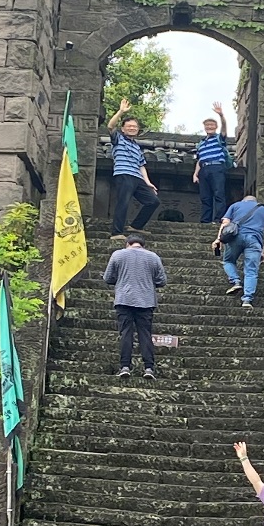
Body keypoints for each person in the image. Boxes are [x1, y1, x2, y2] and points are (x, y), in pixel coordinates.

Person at [103, 234, 167, 380]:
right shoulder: (153, 257)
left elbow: (108, 278)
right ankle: (149, 368)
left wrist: (120, 280)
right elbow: (162, 280)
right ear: (142, 245)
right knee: (145, 334)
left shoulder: (118, 255)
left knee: (126, 333)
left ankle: (125, 366)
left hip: (124, 299)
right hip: (146, 301)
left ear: (127, 244)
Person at [211, 193, 264, 310]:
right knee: (251, 271)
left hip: (235, 238)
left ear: (243, 201)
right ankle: (247, 299)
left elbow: (225, 223)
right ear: (256, 202)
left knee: (228, 261)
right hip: (254, 241)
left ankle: (236, 281)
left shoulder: (235, 206)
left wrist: (218, 239)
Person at [107, 98, 160, 239]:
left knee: (153, 201)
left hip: (137, 177)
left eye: (134, 126)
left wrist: (148, 182)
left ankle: (136, 226)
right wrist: (121, 112)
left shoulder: (137, 147)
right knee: (123, 202)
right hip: (123, 174)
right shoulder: (118, 139)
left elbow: (141, 165)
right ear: (123, 129)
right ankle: (117, 233)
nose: (132, 128)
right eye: (129, 126)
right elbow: (110, 126)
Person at [192, 101, 230, 224]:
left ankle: (218, 219)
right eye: (207, 125)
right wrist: (195, 174)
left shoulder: (219, 138)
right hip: (204, 169)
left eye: (212, 125)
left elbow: (224, 128)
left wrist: (221, 115)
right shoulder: (201, 143)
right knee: (205, 196)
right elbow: (199, 160)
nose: (209, 127)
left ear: (216, 126)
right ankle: (205, 220)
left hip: (216, 167)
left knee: (219, 194)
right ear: (204, 127)